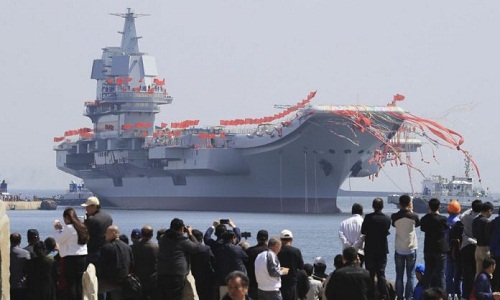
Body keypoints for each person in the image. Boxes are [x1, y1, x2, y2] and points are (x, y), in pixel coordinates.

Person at [157, 218, 210, 300]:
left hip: (162, 272)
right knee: (176, 296)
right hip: (176, 274)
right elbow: (196, 248)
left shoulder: (163, 238)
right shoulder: (182, 240)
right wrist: (190, 234)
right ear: (182, 228)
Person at [53, 207, 89, 300]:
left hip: (71, 259)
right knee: (79, 284)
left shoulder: (69, 227)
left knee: (71, 284)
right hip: (83, 257)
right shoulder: (82, 226)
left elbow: (58, 239)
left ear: (67, 217)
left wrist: (57, 229)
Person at [361, 197, 391, 300]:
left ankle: (370, 295)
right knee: (381, 273)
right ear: (382, 206)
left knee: (370, 273)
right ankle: (383, 295)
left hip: (369, 249)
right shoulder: (387, 219)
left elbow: (363, 231)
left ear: (373, 206)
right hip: (382, 249)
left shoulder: (368, 217)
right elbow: (386, 230)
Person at [391, 194, 420, 300]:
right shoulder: (414, 216)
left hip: (399, 248)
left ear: (400, 203)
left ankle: (399, 296)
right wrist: (411, 211)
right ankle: (409, 297)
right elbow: (417, 224)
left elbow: (393, 225)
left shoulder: (394, 216)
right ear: (409, 203)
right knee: (410, 275)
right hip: (411, 248)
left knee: (399, 275)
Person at [97, 225, 134, 299]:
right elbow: (131, 264)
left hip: (110, 283)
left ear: (113, 233)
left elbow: (101, 266)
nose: (105, 235)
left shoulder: (106, 248)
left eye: (107, 233)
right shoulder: (128, 247)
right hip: (125, 282)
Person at [420, 198, 448, 292]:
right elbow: (446, 228)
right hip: (440, 249)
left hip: (428, 248)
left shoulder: (424, 219)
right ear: (439, 207)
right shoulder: (443, 219)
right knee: (441, 275)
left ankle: (425, 295)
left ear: (429, 207)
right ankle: (442, 296)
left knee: (428, 273)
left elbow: (422, 228)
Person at [213, 230, 248, 298]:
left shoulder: (218, 249)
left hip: (223, 280)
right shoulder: (238, 249)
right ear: (233, 238)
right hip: (238, 279)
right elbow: (246, 258)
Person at [82, 196, 113, 267]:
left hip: (93, 252)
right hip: (106, 250)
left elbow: (83, 234)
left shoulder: (91, 220)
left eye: (87, 207)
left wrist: (85, 221)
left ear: (94, 206)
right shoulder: (108, 217)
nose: (86, 209)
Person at [461, 199, 482, 299]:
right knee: (477, 272)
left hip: (466, 246)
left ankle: (465, 294)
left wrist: (470, 208)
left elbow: (461, 215)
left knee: (466, 273)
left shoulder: (465, 217)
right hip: (477, 247)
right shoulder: (480, 219)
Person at [131, 225, 159, 300]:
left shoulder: (133, 247)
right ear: (152, 235)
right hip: (153, 279)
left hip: (138, 278)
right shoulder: (157, 247)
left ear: (141, 234)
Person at [278, 229, 305, 300]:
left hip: (279, 282)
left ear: (280, 240)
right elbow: (301, 267)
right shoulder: (296, 251)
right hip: (292, 283)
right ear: (291, 240)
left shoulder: (277, 251)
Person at [191, 229, 216, 300]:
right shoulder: (206, 249)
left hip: (193, 275)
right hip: (206, 276)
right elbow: (213, 261)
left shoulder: (187, 249)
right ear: (201, 238)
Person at [445, 200, 462, 298]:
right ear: (459, 211)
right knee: (458, 275)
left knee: (448, 274)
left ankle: (448, 294)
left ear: (448, 211)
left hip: (447, 250)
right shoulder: (459, 222)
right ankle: (458, 294)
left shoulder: (445, 221)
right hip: (457, 250)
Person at [246, 229, 269, 299]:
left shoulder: (250, 251)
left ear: (257, 238)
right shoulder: (270, 251)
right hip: (267, 284)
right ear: (267, 239)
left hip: (253, 283)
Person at [473, 201, 494, 275]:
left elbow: (474, 234)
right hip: (486, 249)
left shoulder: (475, 220)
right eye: (491, 212)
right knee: (488, 272)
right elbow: (490, 236)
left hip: (478, 248)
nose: (491, 214)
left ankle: (477, 286)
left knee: (478, 272)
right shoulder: (487, 222)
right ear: (489, 210)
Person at [10, 232, 31, 300]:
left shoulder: (6, 252)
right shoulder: (25, 253)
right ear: (20, 241)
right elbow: (30, 268)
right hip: (21, 285)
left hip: (8, 285)